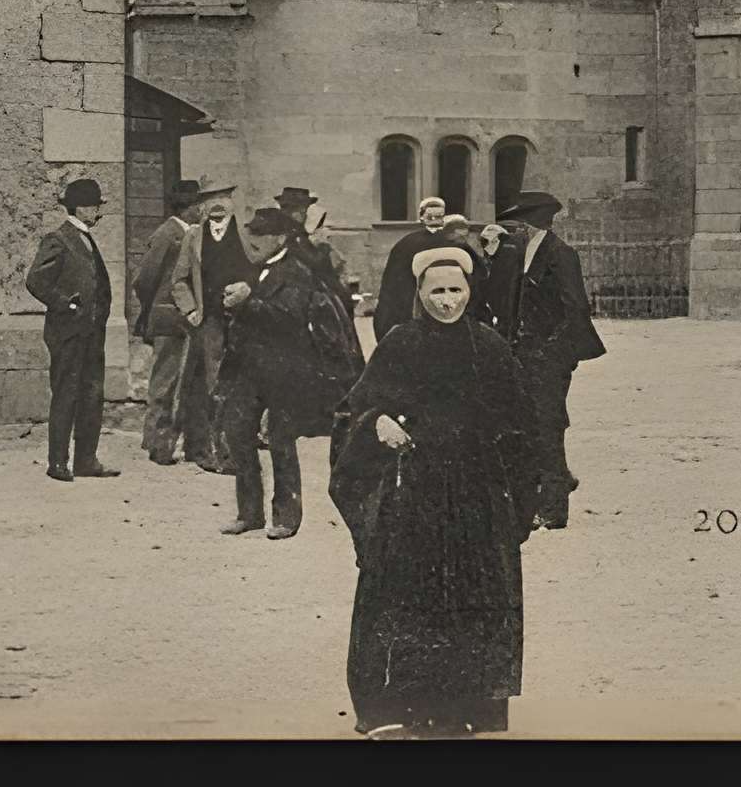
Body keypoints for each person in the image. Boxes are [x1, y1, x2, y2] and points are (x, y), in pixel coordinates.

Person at [329, 248, 543, 737]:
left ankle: (464, 710)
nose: (447, 302)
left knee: (471, 601)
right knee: (408, 599)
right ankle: (399, 709)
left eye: (456, 291)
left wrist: (517, 502)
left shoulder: (489, 347)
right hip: (412, 498)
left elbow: (522, 426)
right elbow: (352, 411)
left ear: (470, 293)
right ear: (419, 295)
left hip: (475, 499)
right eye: (437, 292)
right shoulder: (399, 344)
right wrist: (376, 424)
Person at [215, 207, 358, 538]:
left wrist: (246, 304)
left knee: (281, 441)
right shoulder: (253, 270)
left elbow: (289, 319)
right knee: (238, 435)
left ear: (279, 238)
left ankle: (285, 517)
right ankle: (248, 513)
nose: (253, 241)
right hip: (248, 369)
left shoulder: (297, 272)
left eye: (260, 235)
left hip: (285, 371)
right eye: (252, 234)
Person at [484, 193, 604, 528]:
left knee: (548, 426)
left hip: (548, 358)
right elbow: (503, 298)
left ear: (530, 224)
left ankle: (554, 509)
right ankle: (551, 485)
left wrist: (554, 354)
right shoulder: (523, 253)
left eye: (519, 224)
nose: (514, 230)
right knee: (529, 425)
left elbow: (576, 309)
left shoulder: (560, 254)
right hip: (523, 355)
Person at [23, 178, 120, 482]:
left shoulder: (87, 238)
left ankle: (86, 461)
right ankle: (58, 462)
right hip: (67, 333)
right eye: (94, 206)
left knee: (92, 394)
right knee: (66, 394)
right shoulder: (58, 239)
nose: (98, 211)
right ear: (81, 208)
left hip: (91, 334)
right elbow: (36, 281)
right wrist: (67, 304)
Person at [129, 181, 209, 465]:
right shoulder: (167, 234)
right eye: (197, 205)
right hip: (167, 319)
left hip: (187, 320)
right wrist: (158, 307)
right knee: (164, 383)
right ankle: (156, 443)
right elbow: (144, 279)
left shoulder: (191, 234)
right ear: (185, 208)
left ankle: (186, 443)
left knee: (187, 384)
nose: (201, 210)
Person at [184, 186, 255, 472]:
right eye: (208, 200)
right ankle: (213, 452)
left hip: (244, 320)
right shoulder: (193, 238)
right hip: (210, 322)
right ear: (201, 206)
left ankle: (236, 450)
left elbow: (261, 271)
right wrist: (190, 309)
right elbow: (179, 279)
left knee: (242, 384)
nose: (216, 206)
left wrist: (248, 288)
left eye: (222, 199)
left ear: (232, 203)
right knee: (213, 384)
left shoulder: (248, 235)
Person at [372, 196, 456, 352]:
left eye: (437, 216)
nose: (434, 220)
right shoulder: (454, 243)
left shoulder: (406, 244)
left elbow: (391, 288)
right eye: (431, 216)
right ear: (423, 217)